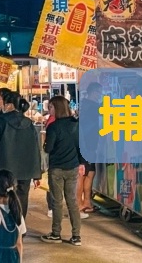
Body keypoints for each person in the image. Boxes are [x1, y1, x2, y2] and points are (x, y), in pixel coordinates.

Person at [0, 91, 41, 225]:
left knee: (2, 199)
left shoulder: (1, 121)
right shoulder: (29, 123)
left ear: (8, 104)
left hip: (3, 170)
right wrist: (37, 174)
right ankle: (19, 229)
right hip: (25, 171)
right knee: (21, 200)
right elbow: (35, 149)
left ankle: (3, 229)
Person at [40, 96, 84, 246]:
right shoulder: (76, 125)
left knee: (57, 201)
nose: (49, 109)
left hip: (57, 169)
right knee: (72, 201)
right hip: (72, 167)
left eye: (51, 107)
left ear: (56, 108)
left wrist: (46, 141)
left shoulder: (54, 127)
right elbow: (80, 146)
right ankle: (76, 236)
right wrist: (81, 163)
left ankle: (56, 233)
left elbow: (48, 148)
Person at [78, 82, 102, 214]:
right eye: (99, 93)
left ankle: (86, 202)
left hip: (87, 145)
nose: (100, 96)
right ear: (93, 92)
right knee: (85, 174)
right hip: (87, 145)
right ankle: (81, 203)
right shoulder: (92, 106)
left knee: (88, 173)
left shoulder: (85, 105)